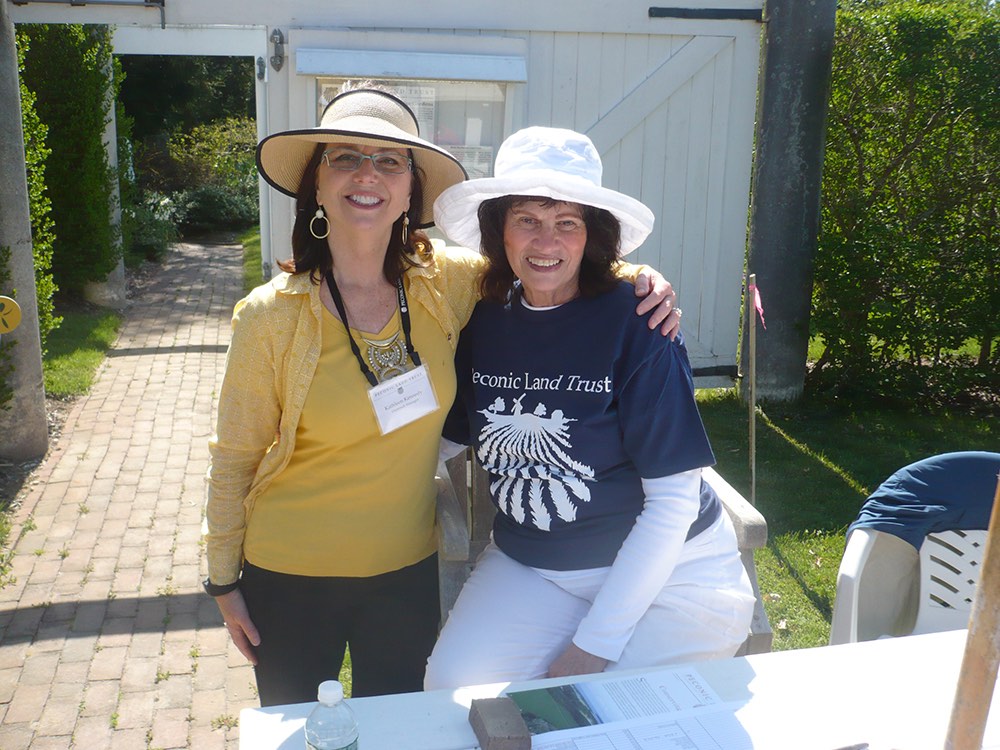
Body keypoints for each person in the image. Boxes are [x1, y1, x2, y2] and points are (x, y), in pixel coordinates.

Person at [204, 86, 682, 705]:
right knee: (301, 733)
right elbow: (234, 455)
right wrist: (222, 579)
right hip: (289, 571)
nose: (367, 174)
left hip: (404, 572)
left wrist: (641, 280)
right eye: (345, 157)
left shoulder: (449, 284)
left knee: (408, 727)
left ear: (410, 192)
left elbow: (546, 260)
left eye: (389, 161)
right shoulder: (268, 318)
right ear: (316, 187)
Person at [424, 126, 756, 690]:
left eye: (566, 224)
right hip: (533, 569)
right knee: (451, 689)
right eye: (527, 219)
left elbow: (674, 501)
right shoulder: (484, 317)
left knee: (594, 716)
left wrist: (593, 645)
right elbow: (448, 437)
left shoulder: (640, 319)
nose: (545, 241)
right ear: (499, 230)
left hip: (676, 579)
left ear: (591, 237)